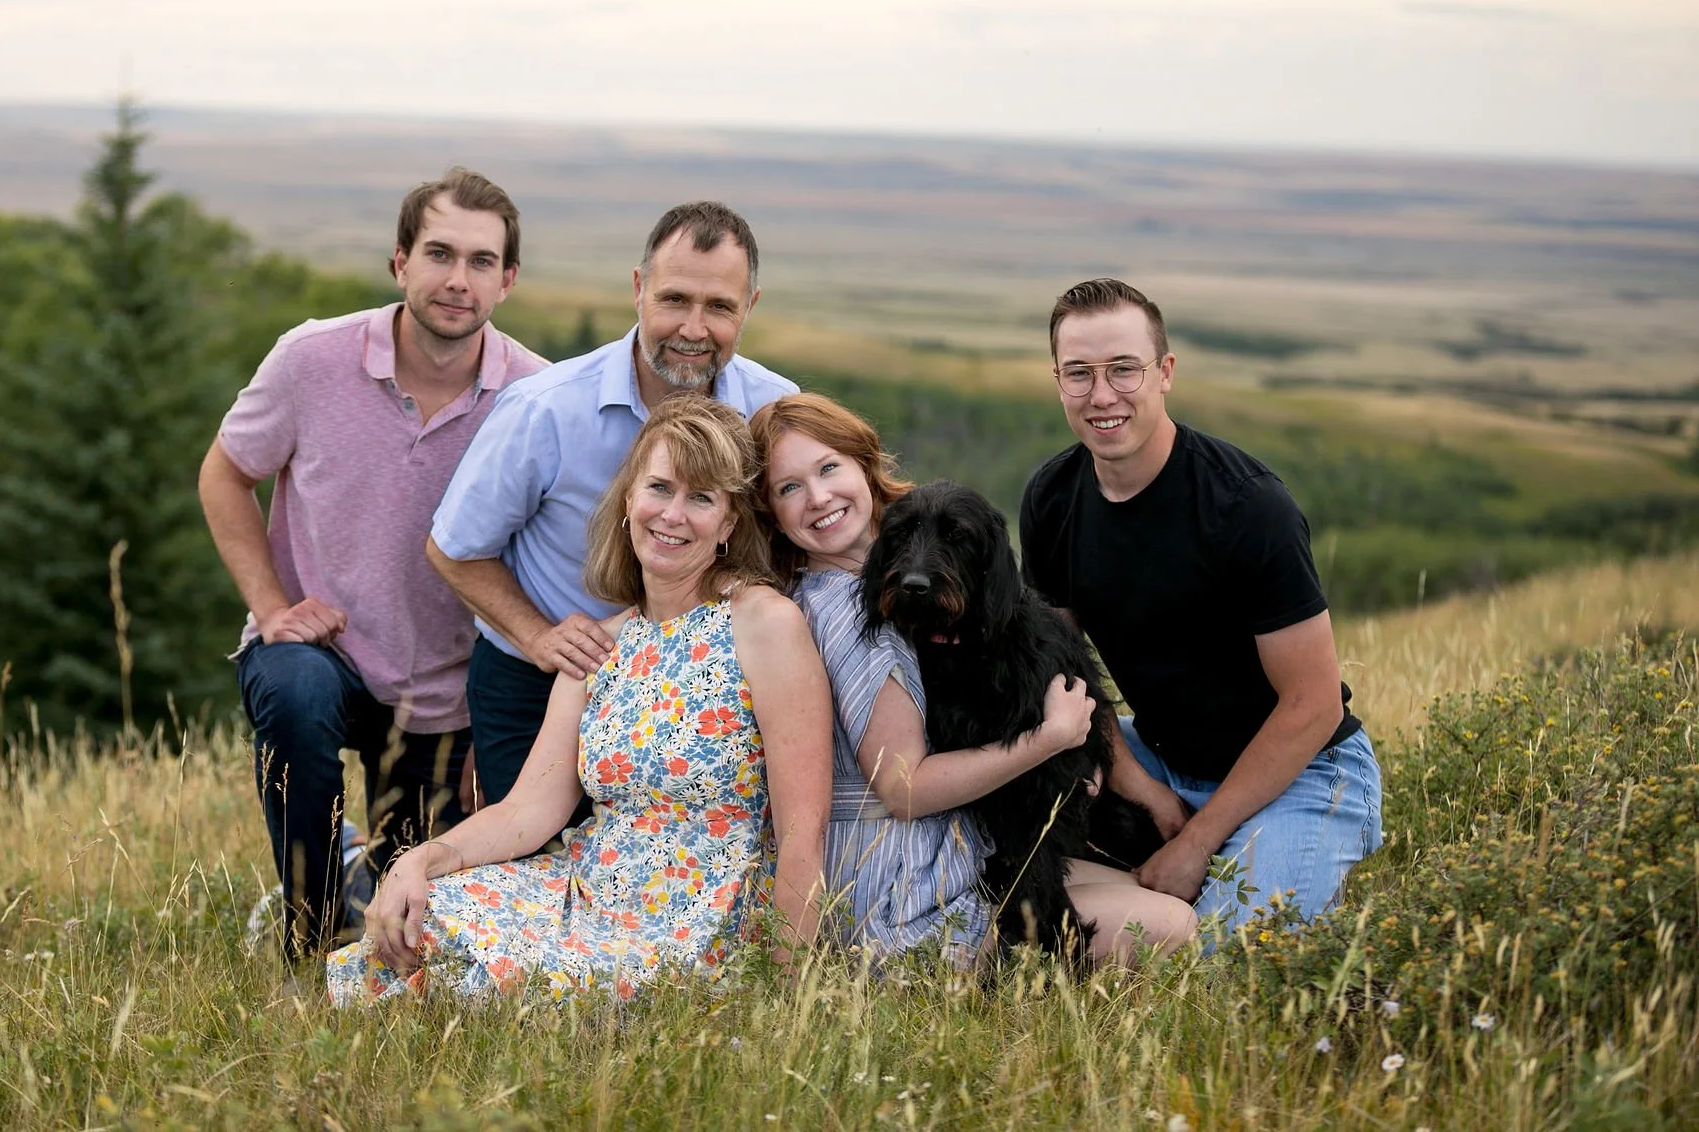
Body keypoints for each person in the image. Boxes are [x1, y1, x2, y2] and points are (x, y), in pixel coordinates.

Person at [328, 397, 833, 1002]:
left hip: (697, 923)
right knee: (425, 913)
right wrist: (420, 860)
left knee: (505, 980)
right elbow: (527, 812)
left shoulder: (762, 623)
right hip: (586, 892)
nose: (673, 515)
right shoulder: (602, 645)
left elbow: (804, 830)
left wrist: (783, 992)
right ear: (628, 500)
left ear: (728, 524)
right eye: (660, 488)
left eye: (702, 498)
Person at [199, 167, 547, 963]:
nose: (458, 280)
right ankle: (309, 936)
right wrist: (272, 606)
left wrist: (501, 717)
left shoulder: (534, 396)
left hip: (451, 695)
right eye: (439, 254)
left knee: (411, 916)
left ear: (507, 280)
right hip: (326, 657)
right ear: (399, 262)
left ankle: (357, 867)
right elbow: (224, 473)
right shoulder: (310, 359)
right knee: (294, 692)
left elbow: (549, 559)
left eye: (482, 261)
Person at [752, 393, 1198, 964]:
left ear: (865, 467)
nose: (818, 497)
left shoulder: (817, 593)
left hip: (919, 857)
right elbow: (905, 789)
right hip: (902, 894)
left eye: (828, 468)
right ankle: (1022, 979)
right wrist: (1051, 740)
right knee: (1174, 925)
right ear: (769, 511)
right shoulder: (866, 623)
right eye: (789, 487)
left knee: (1140, 886)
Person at [1018, 277, 1383, 934]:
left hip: (1304, 769)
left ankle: (1240, 872)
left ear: (1165, 372)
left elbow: (1314, 704)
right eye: (1079, 373)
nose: (1102, 395)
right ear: (1057, 380)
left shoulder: (1247, 507)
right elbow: (1060, 670)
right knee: (1012, 817)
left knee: (1230, 960)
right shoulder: (1052, 497)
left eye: (1123, 368)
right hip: (1159, 754)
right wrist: (1142, 787)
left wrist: (1197, 840)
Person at [428, 201, 796, 803]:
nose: (694, 328)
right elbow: (453, 549)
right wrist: (538, 638)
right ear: (638, 288)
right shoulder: (544, 410)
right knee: (532, 851)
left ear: (749, 306)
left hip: (710, 694)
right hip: (545, 679)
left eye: (719, 307)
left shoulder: (773, 410)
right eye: (674, 299)